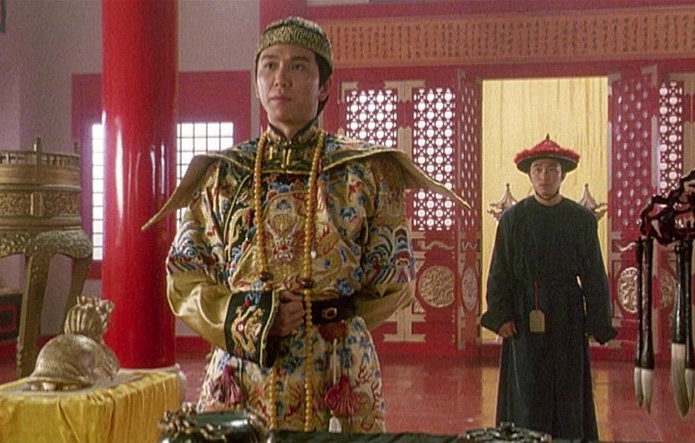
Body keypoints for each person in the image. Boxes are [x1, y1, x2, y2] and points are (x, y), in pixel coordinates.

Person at [144, 16, 462, 433]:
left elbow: (394, 277)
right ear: (257, 82)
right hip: (243, 369)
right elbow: (185, 276)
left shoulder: (365, 172)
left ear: (324, 85)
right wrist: (253, 319)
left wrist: (334, 317)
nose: (281, 78)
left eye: (298, 66)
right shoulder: (222, 175)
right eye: (269, 66)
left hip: (339, 368)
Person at [481, 135, 617, 442]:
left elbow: (594, 275)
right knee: (527, 390)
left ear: (563, 174)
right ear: (530, 175)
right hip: (524, 313)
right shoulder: (513, 220)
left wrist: (596, 321)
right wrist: (500, 315)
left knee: (567, 389)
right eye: (538, 169)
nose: (545, 176)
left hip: (567, 313)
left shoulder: (581, 220)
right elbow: (500, 270)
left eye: (552, 169)